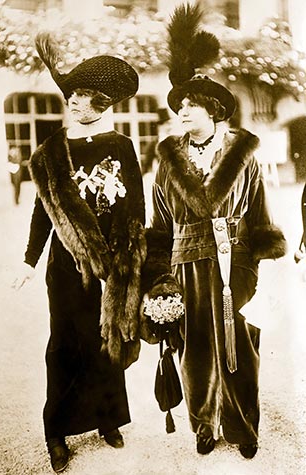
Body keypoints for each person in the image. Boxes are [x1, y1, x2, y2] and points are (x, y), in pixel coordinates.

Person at [144, 4, 287, 460]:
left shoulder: (244, 153)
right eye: (179, 107)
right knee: (194, 348)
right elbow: (160, 225)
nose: (181, 113)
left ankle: (244, 427)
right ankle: (203, 424)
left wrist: (264, 264)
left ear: (213, 110)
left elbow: (262, 213)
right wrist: (160, 279)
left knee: (241, 346)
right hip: (187, 265)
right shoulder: (167, 160)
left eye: (190, 106)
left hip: (236, 261)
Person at [12, 32, 146, 473]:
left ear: (103, 105)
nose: (74, 100)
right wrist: (30, 261)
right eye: (72, 94)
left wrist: (133, 262)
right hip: (66, 267)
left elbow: (135, 209)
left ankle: (108, 419)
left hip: (111, 266)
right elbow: (42, 210)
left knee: (107, 342)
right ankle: (57, 431)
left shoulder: (122, 147)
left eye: (85, 96)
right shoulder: (53, 150)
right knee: (64, 344)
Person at [141, 108, 174, 175]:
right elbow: (146, 165)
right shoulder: (154, 144)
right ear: (160, 125)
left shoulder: (174, 141)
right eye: (167, 124)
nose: (170, 127)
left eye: (170, 124)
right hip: (162, 176)